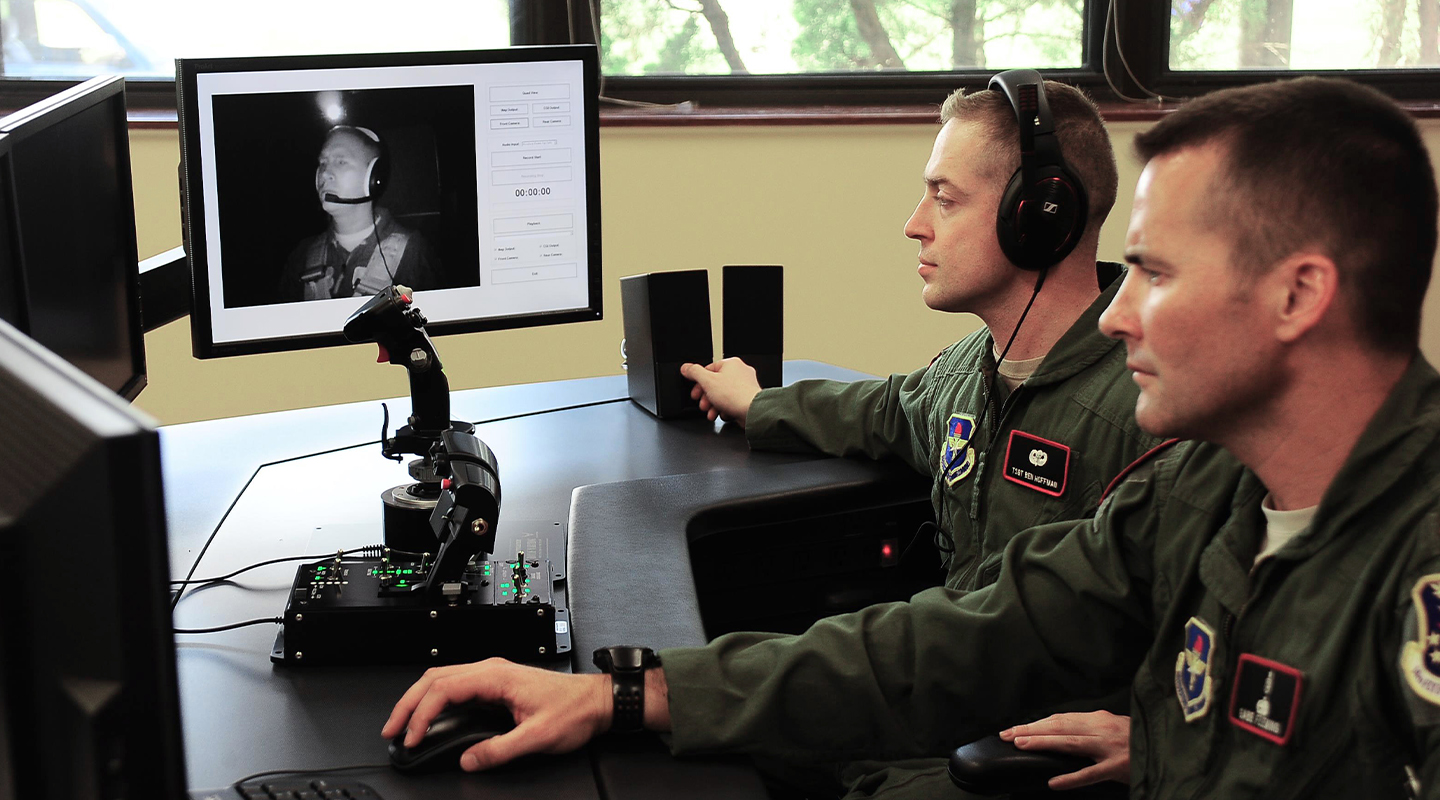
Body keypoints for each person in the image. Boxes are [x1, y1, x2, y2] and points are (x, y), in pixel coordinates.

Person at [383, 76, 1440, 796]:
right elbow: (969, 633)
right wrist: (624, 691)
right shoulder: (1211, 489)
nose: (1119, 313)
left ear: (1299, 293)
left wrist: (1163, 747)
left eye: (1156, 275)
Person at [677, 74, 1163, 794]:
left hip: (1034, 752)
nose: (916, 223)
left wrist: (1163, 739)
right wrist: (758, 403)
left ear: (1040, 218)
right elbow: (885, 410)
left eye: (944, 197)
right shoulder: (973, 370)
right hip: (953, 701)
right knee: (734, 746)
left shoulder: (1149, 407)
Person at [278, 125, 438, 302]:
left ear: (373, 177)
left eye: (341, 162)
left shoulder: (413, 255)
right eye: (323, 163)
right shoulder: (301, 256)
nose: (324, 174)